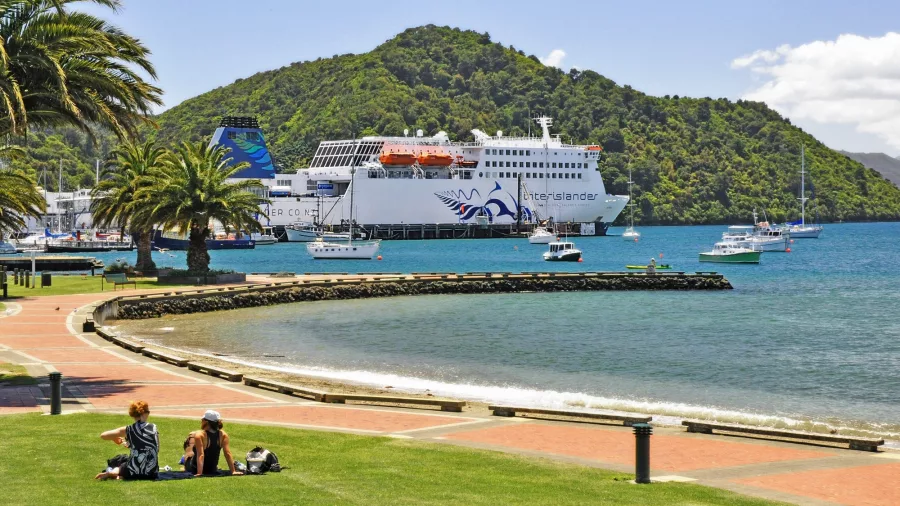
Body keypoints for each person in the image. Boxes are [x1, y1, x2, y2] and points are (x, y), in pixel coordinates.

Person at [95, 400, 160, 480]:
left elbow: (103, 435)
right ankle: (119, 476)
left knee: (121, 459)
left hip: (132, 470)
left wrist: (114, 438)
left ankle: (113, 473)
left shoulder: (128, 429)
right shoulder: (153, 427)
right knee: (129, 460)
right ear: (145, 413)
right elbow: (156, 448)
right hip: (151, 473)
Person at [185, 410, 242, 476]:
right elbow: (227, 453)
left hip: (194, 468)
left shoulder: (200, 435)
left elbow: (201, 455)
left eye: (202, 419)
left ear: (206, 422)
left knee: (191, 439)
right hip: (212, 469)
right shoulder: (223, 434)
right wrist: (233, 471)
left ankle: (184, 459)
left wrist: (199, 473)